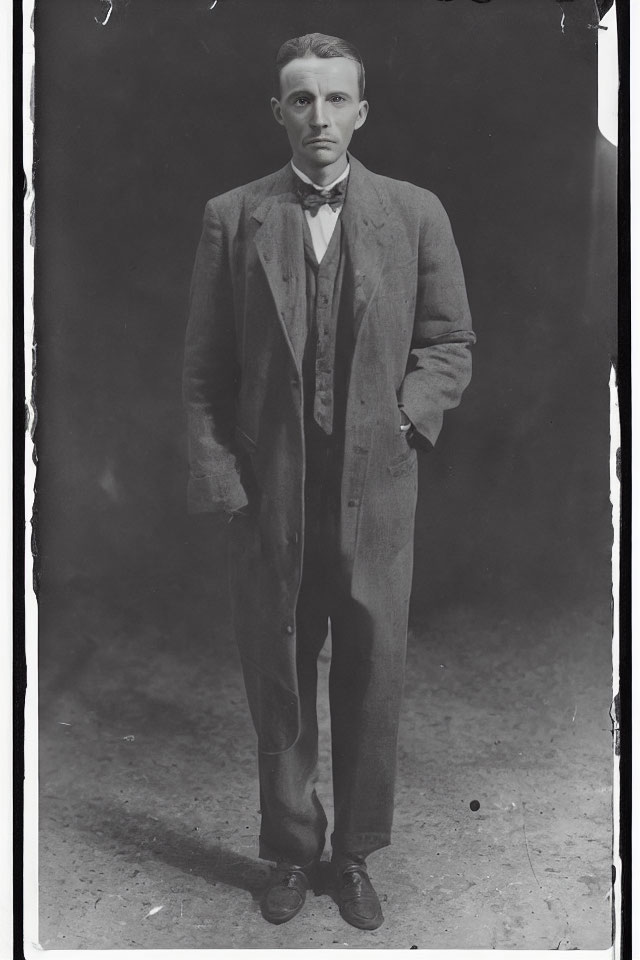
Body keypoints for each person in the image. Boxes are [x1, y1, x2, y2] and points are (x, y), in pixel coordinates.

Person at [183, 32, 474, 930]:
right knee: (280, 676)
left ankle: (351, 859)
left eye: (337, 99)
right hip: (272, 498)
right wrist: (226, 483)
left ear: (361, 110)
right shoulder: (235, 217)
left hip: (377, 497)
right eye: (301, 100)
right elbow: (203, 372)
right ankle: (289, 851)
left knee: (371, 675)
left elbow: (448, 345)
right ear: (279, 112)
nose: (321, 117)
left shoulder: (414, 212)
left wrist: (403, 420)